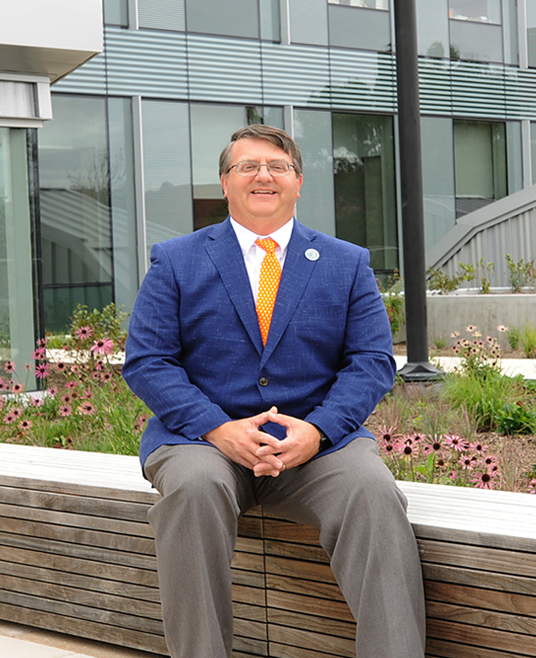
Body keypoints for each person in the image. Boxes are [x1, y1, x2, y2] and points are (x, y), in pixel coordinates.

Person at [122, 124, 425, 657]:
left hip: (317, 446)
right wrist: (218, 428)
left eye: (277, 166)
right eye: (248, 166)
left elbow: (373, 361)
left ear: (298, 182)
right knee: (192, 491)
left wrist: (318, 430)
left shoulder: (345, 262)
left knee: (373, 494)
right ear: (225, 183)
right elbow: (148, 361)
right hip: (202, 442)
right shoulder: (176, 259)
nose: (263, 175)